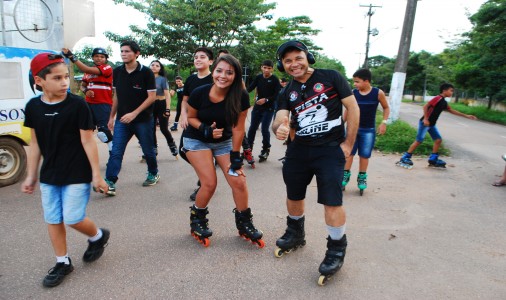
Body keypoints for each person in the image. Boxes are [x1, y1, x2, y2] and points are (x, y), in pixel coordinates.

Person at [271, 41, 359, 283]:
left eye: (298, 58)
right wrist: (279, 128)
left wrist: (349, 145)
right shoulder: (286, 91)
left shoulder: (331, 77)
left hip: (330, 150)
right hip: (299, 150)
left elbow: (352, 108)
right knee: (294, 195)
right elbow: (279, 118)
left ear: (307, 57)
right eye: (287, 61)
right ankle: (295, 233)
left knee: (332, 201)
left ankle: (336, 249)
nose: (293, 64)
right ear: (282, 65)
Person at [21, 53, 110, 288]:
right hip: (50, 174)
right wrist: (31, 175)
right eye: (57, 78)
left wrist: (96, 175)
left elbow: (88, 141)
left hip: (76, 172)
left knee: (72, 217)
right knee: (53, 218)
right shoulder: (33, 107)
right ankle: (62, 261)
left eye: (67, 77)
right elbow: (35, 143)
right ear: (39, 81)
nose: (64, 83)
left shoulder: (77, 105)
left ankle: (98, 236)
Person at [183, 54, 264, 247]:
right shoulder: (200, 93)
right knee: (209, 183)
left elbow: (238, 128)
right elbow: (191, 117)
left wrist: (236, 155)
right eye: (219, 70)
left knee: (239, 181)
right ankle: (197, 219)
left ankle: (245, 222)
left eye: (229, 72)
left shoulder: (241, 96)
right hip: (196, 140)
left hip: (224, 143)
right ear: (213, 71)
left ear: (236, 76)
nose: (223, 76)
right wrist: (204, 128)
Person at [104, 40, 159, 195]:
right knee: (116, 151)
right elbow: (117, 96)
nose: (123, 54)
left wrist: (134, 113)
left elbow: (152, 97)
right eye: (122, 51)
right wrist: (111, 117)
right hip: (122, 120)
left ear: (136, 53)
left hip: (143, 120)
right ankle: (110, 181)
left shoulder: (146, 72)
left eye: (127, 51)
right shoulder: (117, 72)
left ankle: (153, 172)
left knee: (148, 151)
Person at [398, 83, 478, 168]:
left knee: (438, 140)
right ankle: (405, 157)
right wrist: (425, 119)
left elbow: (451, 110)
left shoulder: (444, 102)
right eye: (451, 91)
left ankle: (433, 159)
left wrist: (466, 115)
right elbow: (425, 106)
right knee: (419, 140)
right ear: (444, 90)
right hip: (425, 123)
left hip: (432, 124)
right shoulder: (437, 98)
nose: (452, 93)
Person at [342, 68, 390, 194]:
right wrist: (341, 123)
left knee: (364, 155)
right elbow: (348, 109)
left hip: (368, 130)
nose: (355, 84)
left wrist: (384, 122)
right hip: (352, 129)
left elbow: (386, 108)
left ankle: (362, 178)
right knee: (349, 153)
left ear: (366, 81)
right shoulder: (353, 93)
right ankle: (345, 176)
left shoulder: (378, 93)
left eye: (357, 82)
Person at [62, 47, 114, 154]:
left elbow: (86, 69)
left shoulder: (107, 68)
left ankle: (114, 155)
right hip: (89, 104)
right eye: (96, 56)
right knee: (86, 130)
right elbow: (82, 86)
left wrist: (71, 56)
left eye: (102, 57)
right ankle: (85, 157)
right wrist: (86, 91)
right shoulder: (87, 74)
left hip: (103, 104)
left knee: (103, 133)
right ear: (93, 58)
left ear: (105, 59)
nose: (99, 58)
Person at [179, 47, 214, 201]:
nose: (198, 59)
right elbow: (185, 100)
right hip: (192, 122)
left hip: (210, 123)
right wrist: (183, 115)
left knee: (206, 152)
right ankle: (206, 172)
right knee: (183, 150)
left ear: (210, 61)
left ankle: (204, 183)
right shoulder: (191, 79)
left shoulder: (215, 78)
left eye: (202, 57)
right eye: (195, 57)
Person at [246, 60, 282, 162]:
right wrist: (241, 93)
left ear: (272, 69)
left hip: (269, 107)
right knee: (252, 128)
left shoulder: (274, 79)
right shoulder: (258, 77)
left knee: (264, 129)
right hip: (258, 107)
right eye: (264, 67)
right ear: (261, 67)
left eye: (269, 68)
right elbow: (250, 88)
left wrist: (266, 100)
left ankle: (265, 149)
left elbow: (276, 95)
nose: (266, 70)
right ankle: (248, 150)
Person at [149, 59, 178, 157]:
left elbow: (167, 95)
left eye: (157, 65)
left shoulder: (162, 79)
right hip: (150, 105)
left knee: (163, 128)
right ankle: (154, 147)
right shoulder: (146, 78)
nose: (154, 67)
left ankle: (172, 145)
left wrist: (168, 108)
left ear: (160, 68)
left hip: (161, 104)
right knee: (151, 128)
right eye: (152, 65)